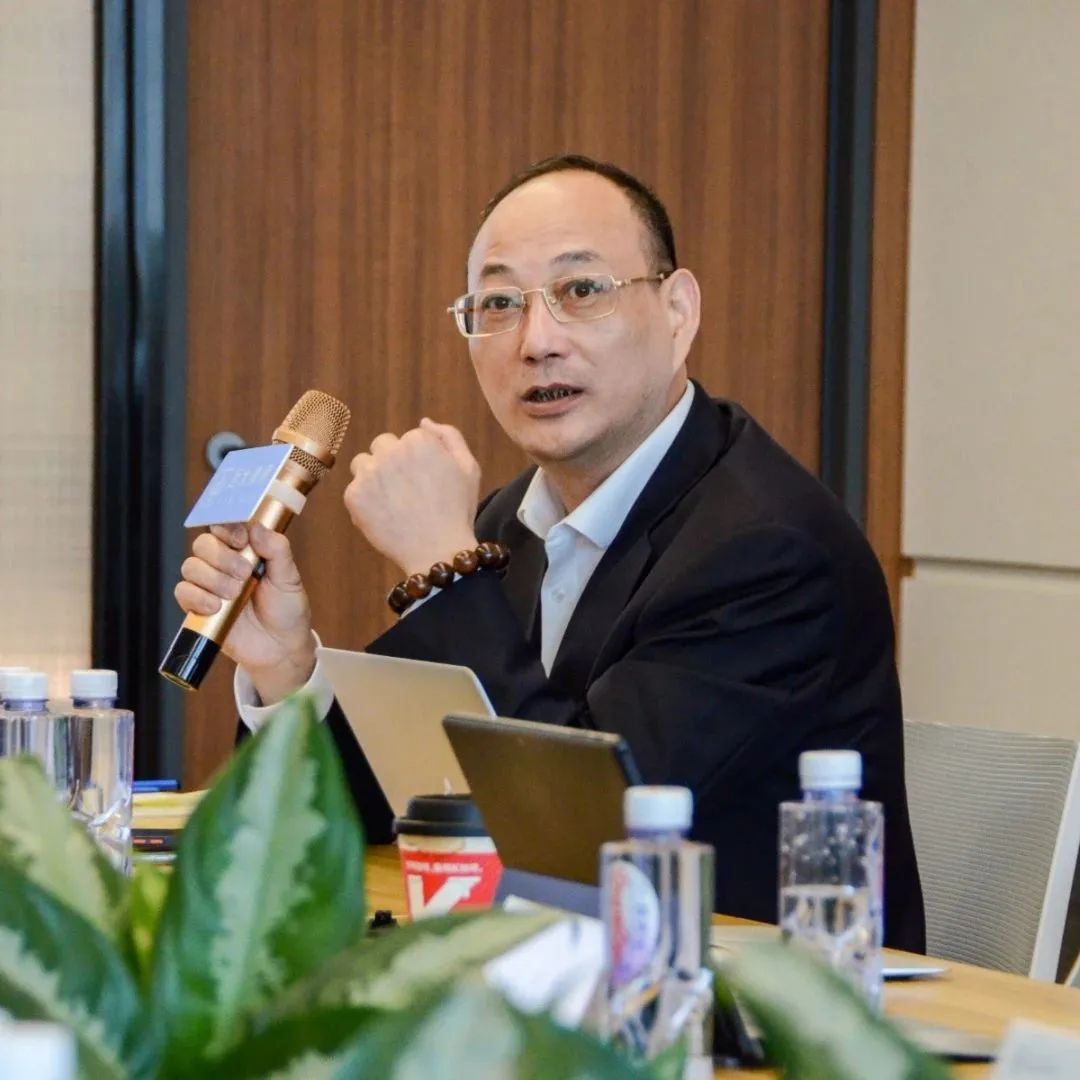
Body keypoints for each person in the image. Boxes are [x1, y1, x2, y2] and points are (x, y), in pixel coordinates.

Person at [175, 155, 925, 951]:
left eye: (582, 290)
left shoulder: (768, 550)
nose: (537, 342)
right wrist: (289, 672)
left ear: (678, 312)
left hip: (728, 997)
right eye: (500, 304)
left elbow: (589, 838)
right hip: (551, 973)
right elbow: (404, 801)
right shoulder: (512, 519)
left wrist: (443, 569)